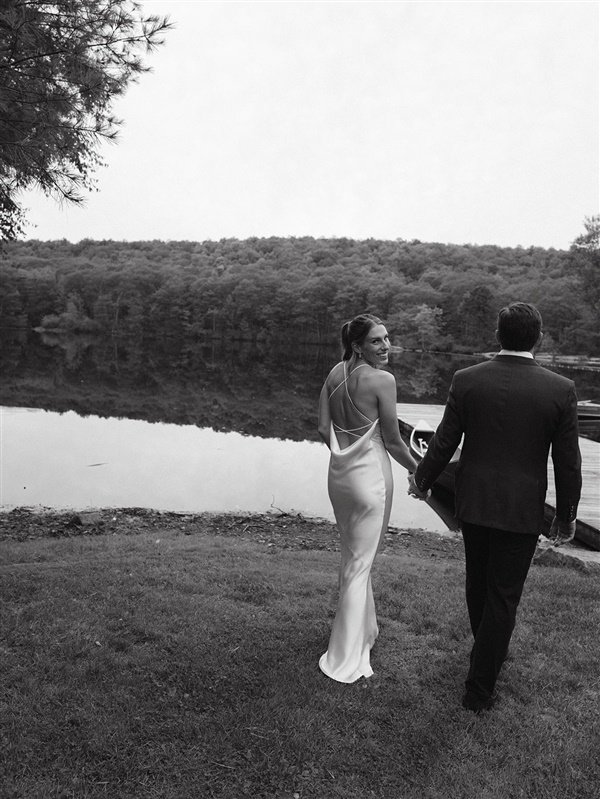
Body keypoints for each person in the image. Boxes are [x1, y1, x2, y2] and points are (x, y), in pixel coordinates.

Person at [408, 302, 582, 713]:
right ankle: (479, 689)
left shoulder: (468, 379)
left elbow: (444, 442)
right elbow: (568, 461)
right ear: (538, 337)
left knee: (478, 585)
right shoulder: (560, 389)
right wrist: (566, 514)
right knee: (503, 596)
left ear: (498, 336)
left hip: (475, 501)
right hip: (522, 508)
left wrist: (422, 480)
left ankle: (484, 658)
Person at [318, 313, 419, 683]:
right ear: (358, 346)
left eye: (387, 338)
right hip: (372, 479)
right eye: (377, 341)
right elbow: (392, 441)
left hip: (340, 476)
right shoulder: (382, 380)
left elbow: (322, 426)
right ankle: (344, 656)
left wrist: (345, 454)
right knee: (361, 564)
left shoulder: (334, 373)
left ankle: (365, 631)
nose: (386, 346)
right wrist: (420, 472)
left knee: (352, 557)